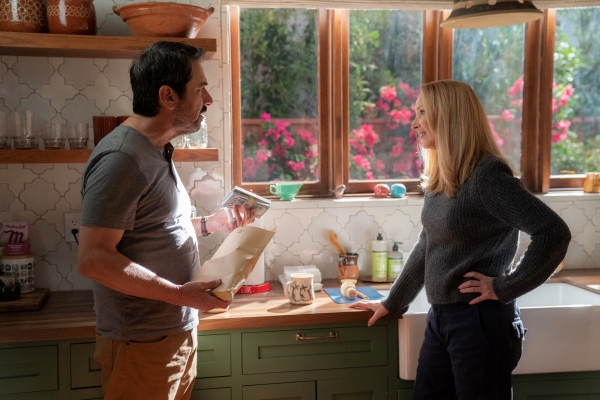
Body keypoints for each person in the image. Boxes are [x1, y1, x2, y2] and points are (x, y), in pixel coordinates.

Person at [350, 80, 571, 399]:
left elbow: (553, 232)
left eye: (422, 113)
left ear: (449, 117)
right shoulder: (443, 178)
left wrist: (505, 286)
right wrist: (393, 302)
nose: (414, 123)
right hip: (442, 317)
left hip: (480, 321)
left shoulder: (488, 177)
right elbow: (428, 245)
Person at [78, 41, 255, 400]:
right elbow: (93, 258)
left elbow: (155, 229)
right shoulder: (122, 158)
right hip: (140, 342)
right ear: (168, 96)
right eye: (200, 89)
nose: (209, 100)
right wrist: (177, 294)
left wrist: (210, 224)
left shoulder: (155, 149)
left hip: (172, 332)